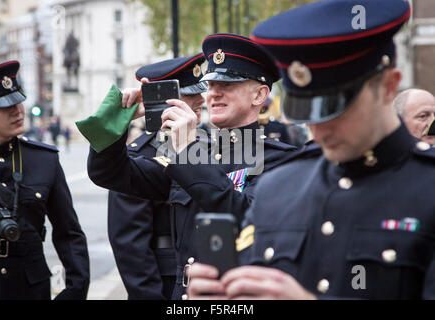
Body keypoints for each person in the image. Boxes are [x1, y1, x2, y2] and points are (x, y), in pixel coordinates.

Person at [187, 0, 435, 300]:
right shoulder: (278, 188)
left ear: (388, 86)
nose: (318, 129)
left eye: (335, 109)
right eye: (307, 111)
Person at [84, 33, 298, 300]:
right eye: (212, 84)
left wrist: (185, 149)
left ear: (259, 95)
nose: (214, 93)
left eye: (228, 85)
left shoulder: (282, 160)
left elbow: (245, 217)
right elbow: (110, 173)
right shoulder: (195, 151)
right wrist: (116, 120)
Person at [0, 61, 90, 300]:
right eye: (5, 106)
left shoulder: (44, 160)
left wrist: (74, 292)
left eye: (19, 101)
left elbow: (70, 234)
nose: (18, 111)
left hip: (31, 290)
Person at [107, 53, 207, 300]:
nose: (200, 99)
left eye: (199, 92)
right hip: (166, 282)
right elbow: (132, 248)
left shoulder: (210, 146)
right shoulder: (142, 155)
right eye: (187, 93)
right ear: (163, 100)